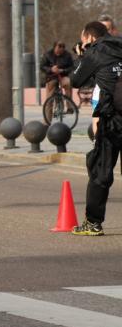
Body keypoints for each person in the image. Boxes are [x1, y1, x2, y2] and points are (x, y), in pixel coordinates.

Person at [70, 21, 122, 236]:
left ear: (89, 38)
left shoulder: (94, 51)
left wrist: (82, 56)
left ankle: (93, 223)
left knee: (101, 170)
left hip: (112, 120)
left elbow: (75, 80)